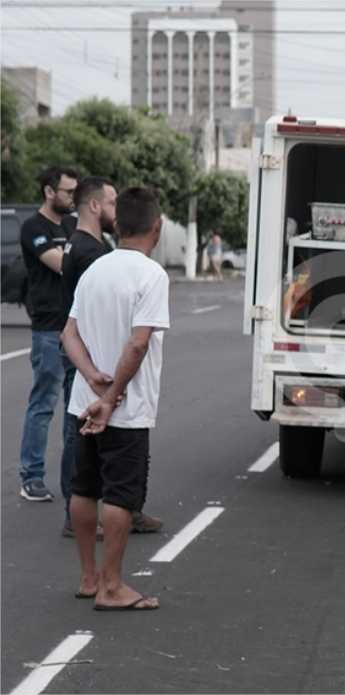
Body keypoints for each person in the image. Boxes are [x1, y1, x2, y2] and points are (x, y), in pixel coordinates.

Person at [62, 187, 169, 611]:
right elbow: (138, 343)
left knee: (84, 488)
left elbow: (68, 334)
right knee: (121, 495)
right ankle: (112, 587)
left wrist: (90, 376)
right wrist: (109, 398)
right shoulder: (151, 275)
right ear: (156, 227)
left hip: (82, 402)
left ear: (118, 225)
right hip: (125, 409)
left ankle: (89, 578)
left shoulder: (95, 269)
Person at [16, 166, 79, 502]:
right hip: (49, 327)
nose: (73, 197)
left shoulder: (71, 225)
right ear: (49, 192)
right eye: (68, 192)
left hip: (74, 327)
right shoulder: (33, 227)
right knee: (43, 404)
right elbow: (61, 264)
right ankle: (32, 476)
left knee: (74, 407)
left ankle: (73, 478)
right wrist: (77, 255)